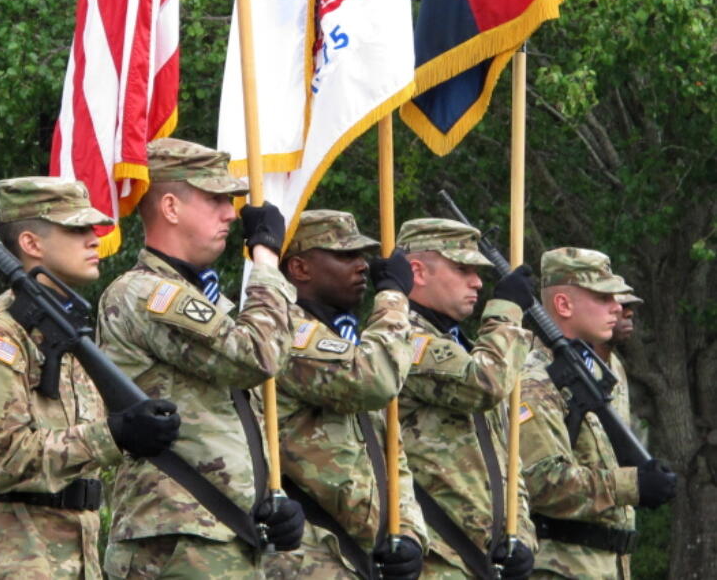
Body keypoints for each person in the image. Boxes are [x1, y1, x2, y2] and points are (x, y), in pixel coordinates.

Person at [0, 177, 179, 580]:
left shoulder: (69, 336)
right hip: (8, 562)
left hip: (75, 559)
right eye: (76, 229)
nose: (94, 239)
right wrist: (114, 435)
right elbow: (6, 460)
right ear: (31, 243)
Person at [98, 137, 304, 580]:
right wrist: (266, 262)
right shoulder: (149, 293)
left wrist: (271, 496)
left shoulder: (201, 300)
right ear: (170, 207)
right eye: (215, 199)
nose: (231, 213)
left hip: (217, 532)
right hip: (179, 539)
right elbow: (257, 354)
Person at [267, 210, 427, 580]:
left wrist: (410, 532)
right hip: (311, 554)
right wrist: (392, 298)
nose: (363, 267)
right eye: (345, 256)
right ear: (300, 268)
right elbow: (373, 379)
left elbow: (392, 454)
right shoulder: (286, 332)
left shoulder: (345, 339)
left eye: (362, 256)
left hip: (366, 557)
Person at [519, 248, 676, 579]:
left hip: (608, 565)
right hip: (559, 567)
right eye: (603, 296)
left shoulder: (602, 370)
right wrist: (633, 485)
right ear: (563, 305)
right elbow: (540, 483)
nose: (617, 306)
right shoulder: (535, 378)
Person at [395, 218, 536, 580]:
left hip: (485, 557)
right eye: (462, 269)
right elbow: (484, 384)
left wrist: (521, 534)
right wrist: (505, 313)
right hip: (438, 555)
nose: (477, 282)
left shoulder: (462, 345)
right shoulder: (402, 339)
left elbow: (505, 455)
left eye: (477, 271)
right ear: (417, 271)